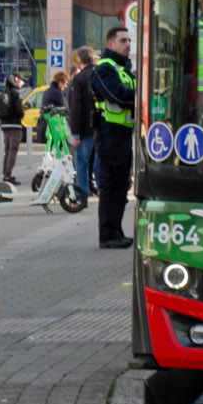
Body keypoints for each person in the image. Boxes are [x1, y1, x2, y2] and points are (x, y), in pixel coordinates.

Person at [91, 27, 137, 248]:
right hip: (110, 134)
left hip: (123, 134)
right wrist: (140, 95)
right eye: (123, 41)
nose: (128, 44)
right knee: (111, 187)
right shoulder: (105, 69)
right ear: (110, 44)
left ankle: (116, 231)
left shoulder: (123, 69)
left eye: (129, 40)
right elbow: (115, 94)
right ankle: (108, 235)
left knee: (121, 186)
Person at [67, 47, 99, 207]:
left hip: (85, 128)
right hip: (102, 127)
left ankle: (82, 196)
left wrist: (75, 133)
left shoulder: (79, 79)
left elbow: (76, 107)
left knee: (82, 162)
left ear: (80, 61)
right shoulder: (101, 74)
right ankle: (104, 193)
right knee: (100, 162)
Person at [0, 74, 28, 183]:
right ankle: (8, 176)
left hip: (5, 125)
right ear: (16, 80)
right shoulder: (15, 94)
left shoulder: (3, 93)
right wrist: (22, 112)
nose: (23, 83)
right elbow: (19, 112)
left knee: (7, 151)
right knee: (12, 151)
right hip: (15, 125)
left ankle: (6, 174)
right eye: (22, 81)